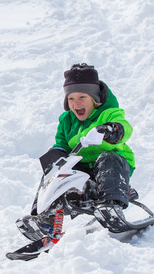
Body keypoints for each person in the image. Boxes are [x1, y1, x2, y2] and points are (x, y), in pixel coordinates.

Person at [39, 63, 134, 209]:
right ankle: (44, 215)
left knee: (107, 159)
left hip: (113, 168)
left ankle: (111, 206)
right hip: (83, 170)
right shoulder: (67, 121)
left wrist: (110, 130)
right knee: (54, 170)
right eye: (71, 98)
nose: (76, 103)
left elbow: (125, 128)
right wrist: (56, 154)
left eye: (82, 97)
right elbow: (62, 144)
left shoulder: (108, 113)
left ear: (94, 98)